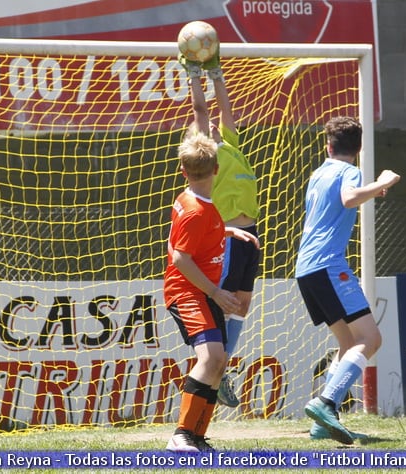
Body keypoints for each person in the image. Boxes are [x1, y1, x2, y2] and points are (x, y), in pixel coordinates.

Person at [294, 116, 400, 444]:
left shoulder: (318, 173)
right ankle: (325, 403)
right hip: (328, 266)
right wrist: (384, 180)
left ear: (328, 146)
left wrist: (371, 190)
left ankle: (322, 424)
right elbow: (349, 198)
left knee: (346, 343)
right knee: (370, 339)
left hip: (306, 269)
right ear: (360, 147)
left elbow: (341, 200)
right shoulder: (348, 171)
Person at [163, 131, 259, 452]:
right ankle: (180, 435)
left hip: (202, 292)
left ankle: (197, 437)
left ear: (182, 170)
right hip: (189, 293)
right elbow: (180, 257)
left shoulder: (194, 201)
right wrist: (216, 292)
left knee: (218, 365)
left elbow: (178, 239)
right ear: (217, 169)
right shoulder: (196, 210)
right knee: (212, 358)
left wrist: (227, 230)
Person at [179, 49, 260, 409]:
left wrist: (217, 73)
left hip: (250, 234)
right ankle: (214, 364)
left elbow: (225, 110)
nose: (214, 124)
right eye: (206, 127)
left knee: (241, 306)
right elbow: (203, 111)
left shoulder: (232, 144)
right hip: (225, 235)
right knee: (221, 302)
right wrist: (195, 74)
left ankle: (222, 363)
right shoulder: (208, 151)